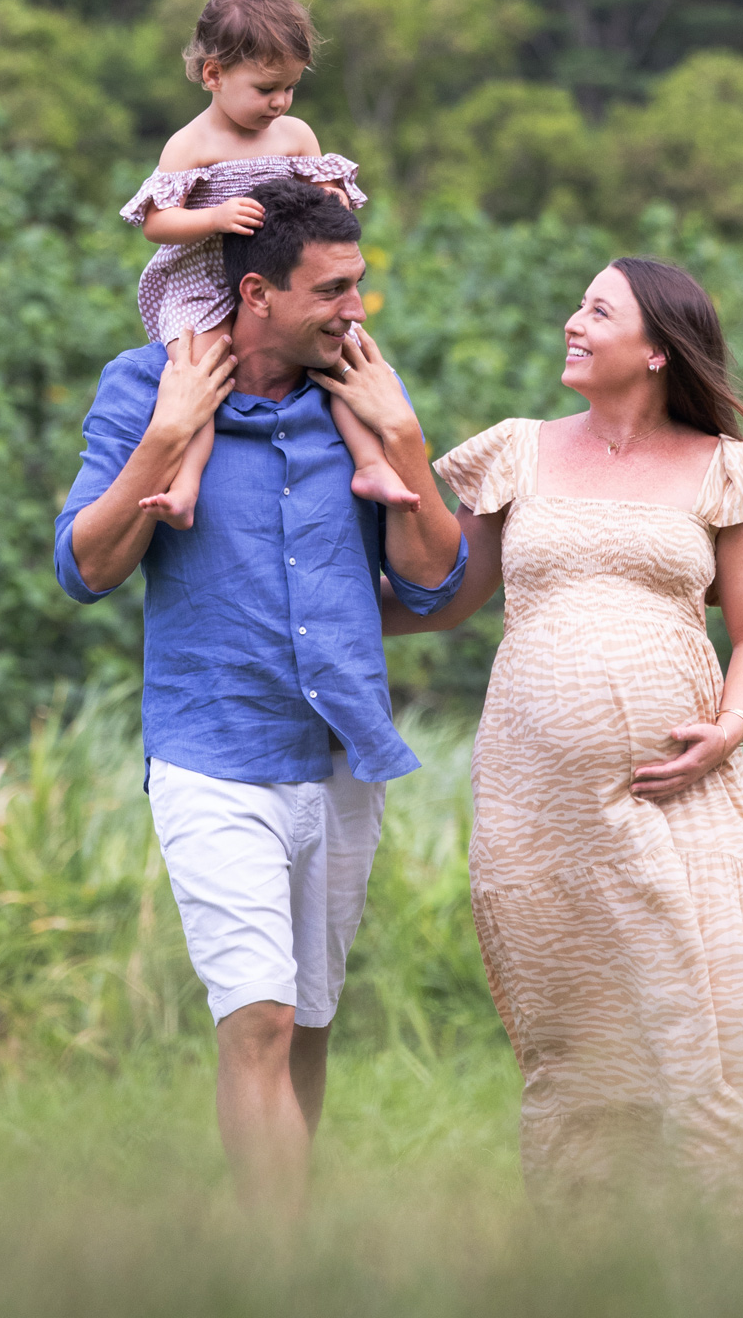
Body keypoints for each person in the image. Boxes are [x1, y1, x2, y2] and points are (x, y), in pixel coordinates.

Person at [54, 177, 466, 1216]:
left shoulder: (360, 394)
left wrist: (403, 436)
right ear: (255, 294)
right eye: (332, 290)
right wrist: (165, 435)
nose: (355, 310)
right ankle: (271, 1263)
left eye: (359, 285)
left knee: (311, 1022)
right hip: (208, 753)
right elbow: (83, 568)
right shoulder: (145, 386)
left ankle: (293, 1249)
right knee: (261, 1022)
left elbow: (435, 582)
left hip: (339, 760)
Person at [388, 256, 743, 1213]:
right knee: (582, 1053)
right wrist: (302, 613)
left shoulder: (723, 469)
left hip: (687, 798)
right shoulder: (517, 453)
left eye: (597, 310)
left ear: (656, 351)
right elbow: (447, 602)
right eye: (578, 303)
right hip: (544, 816)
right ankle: (591, 1267)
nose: (573, 321)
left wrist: (730, 728)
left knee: (723, 1022)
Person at [119, 0, 418, 528]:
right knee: (201, 373)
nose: (279, 102)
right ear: (214, 74)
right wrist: (215, 217)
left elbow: (318, 197)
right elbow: (157, 223)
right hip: (206, 275)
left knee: (344, 355)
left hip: (283, 276)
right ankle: (185, 485)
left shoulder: (295, 135)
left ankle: (372, 462)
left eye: (289, 88)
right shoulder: (191, 144)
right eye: (265, 89)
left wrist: (329, 195)